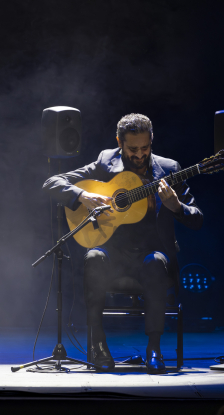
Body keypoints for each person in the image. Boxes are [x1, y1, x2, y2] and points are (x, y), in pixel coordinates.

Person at [42, 113, 203, 373]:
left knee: (155, 262)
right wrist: (83, 196)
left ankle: (154, 348)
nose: (139, 155)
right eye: (132, 149)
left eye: (145, 148)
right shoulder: (106, 162)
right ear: (119, 142)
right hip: (112, 255)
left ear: (152, 141)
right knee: (93, 257)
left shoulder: (169, 168)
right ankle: (99, 345)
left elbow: (197, 219)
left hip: (151, 255)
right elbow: (52, 183)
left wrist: (176, 206)